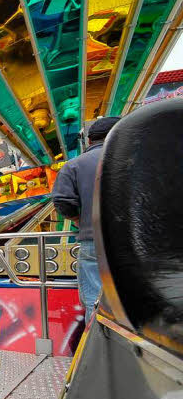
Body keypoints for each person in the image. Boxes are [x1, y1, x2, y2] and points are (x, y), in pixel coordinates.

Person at [51, 116, 119, 319]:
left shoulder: (73, 166)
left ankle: (98, 347)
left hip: (93, 240)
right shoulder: (137, 160)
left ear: (89, 141)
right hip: (135, 242)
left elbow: (62, 201)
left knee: (95, 300)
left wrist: (78, 220)